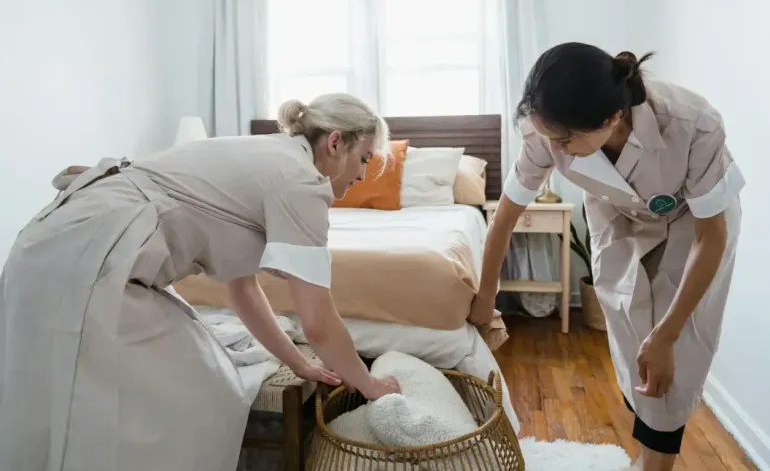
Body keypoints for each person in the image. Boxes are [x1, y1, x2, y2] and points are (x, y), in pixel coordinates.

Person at [0, 93, 401, 471]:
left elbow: (243, 289)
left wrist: (297, 362)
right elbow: (318, 321)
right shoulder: (301, 182)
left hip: (50, 245)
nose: (363, 175)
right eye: (364, 159)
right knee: (203, 392)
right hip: (88, 259)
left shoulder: (267, 156)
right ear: (335, 143)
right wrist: (369, 384)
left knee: (58, 402)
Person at [470, 43, 743, 471]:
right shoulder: (547, 132)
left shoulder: (692, 124)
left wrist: (667, 334)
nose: (554, 150)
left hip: (695, 222)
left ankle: (654, 463)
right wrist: (485, 298)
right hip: (616, 210)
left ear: (612, 118)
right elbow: (504, 218)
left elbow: (712, 237)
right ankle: (644, 447)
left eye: (564, 140)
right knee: (628, 324)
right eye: (548, 138)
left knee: (678, 346)